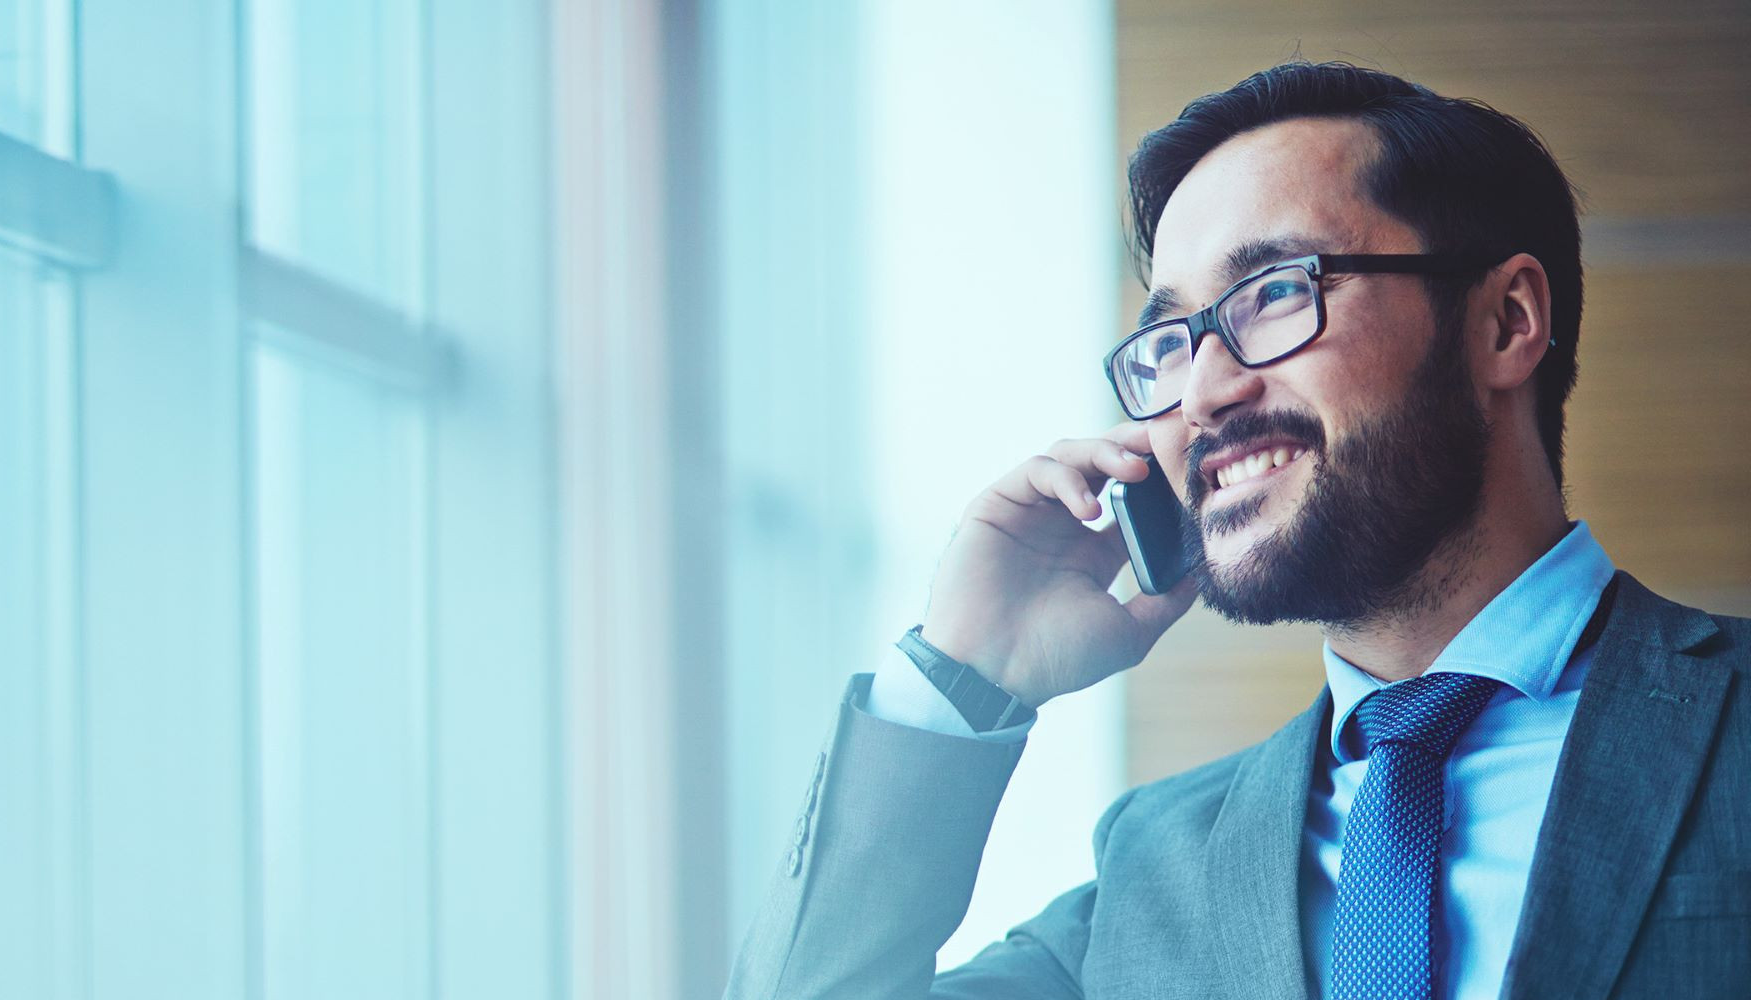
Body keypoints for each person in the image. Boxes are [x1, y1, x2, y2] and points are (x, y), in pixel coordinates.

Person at [723, 61, 1750, 1000]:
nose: (1203, 390)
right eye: (1166, 340)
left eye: (1271, 294)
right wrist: (959, 675)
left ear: (1503, 322)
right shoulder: (1153, 868)